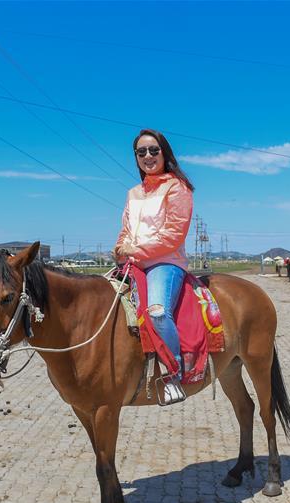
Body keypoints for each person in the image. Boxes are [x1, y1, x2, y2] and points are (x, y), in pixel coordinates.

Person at [114, 129, 194, 405]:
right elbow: (126, 230)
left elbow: (174, 234)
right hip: (132, 263)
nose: (147, 156)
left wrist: (135, 250)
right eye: (141, 152)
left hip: (165, 263)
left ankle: (174, 374)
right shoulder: (133, 193)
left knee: (158, 311)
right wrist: (120, 247)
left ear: (165, 153)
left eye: (153, 150)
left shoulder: (177, 187)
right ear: (135, 158)